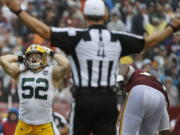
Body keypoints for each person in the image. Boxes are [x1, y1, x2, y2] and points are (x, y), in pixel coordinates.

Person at [3, 0, 180, 134]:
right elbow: (149, 41)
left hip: (84, 99)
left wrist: (18, 11)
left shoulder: (75, 35)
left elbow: (44, 31)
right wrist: (172, 27)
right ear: (105, 15)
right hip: (108, 100)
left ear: (85, 15)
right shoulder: (117, 37)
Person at [0, 44, 70, 135]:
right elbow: (3, 60)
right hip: (24, 123)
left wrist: (50, 53)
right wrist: (21, 57)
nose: (33, 59)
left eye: (37, 56)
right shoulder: (20, 71)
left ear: (43, 58)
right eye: (30, 56)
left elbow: (65, 64)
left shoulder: (51, 72)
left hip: (44, 125)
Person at [116, 64, 170, 135]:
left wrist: (119, 80)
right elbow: (165, 130)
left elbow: (125, 66)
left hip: (139, 90)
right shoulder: (157, 83)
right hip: (161, 98)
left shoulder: (136, 74)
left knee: (125, 132)